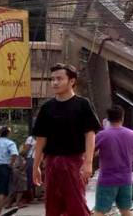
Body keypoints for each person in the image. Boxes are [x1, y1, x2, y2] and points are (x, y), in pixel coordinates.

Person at [32, 63, 102, 216]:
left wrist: (88, 163)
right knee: (52, 207)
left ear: (72, 81)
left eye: (59, 79)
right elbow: (41, 139)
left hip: (74, 162)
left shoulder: (83, 104)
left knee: (76, 206)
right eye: (52, 79)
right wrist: (36, 166)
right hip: (51, 163)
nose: (55, 82)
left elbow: (90, 135)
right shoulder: (46, 107)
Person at [94, 105, 133, 216]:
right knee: (125, 210)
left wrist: (102, 152)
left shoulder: (101, 135)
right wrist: (128, 153)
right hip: (126, 179)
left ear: (108, 119)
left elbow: (90, 153)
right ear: (122, 117)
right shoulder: (132, 134)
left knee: (99, 211)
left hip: (107, 180)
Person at [0, 127, 18, 216]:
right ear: (8, 134)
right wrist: (11, 164)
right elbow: (14, 154)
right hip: (4, 168)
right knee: (2, 191)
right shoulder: (10, 143)